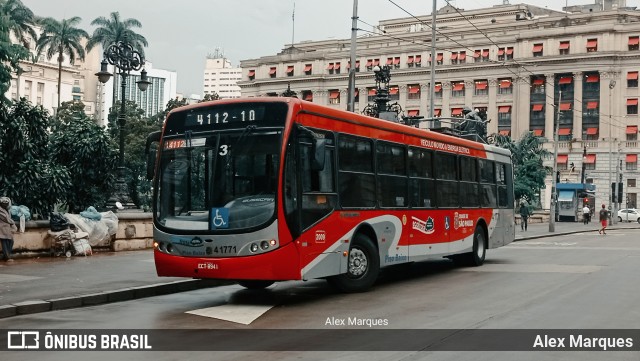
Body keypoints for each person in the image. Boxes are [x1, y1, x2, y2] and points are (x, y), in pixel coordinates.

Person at [0, 197, 16, 262]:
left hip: (6, 228)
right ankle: (7, 257)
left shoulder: (6, 209)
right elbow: (6, 219)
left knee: (11, 241)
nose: (6, 204)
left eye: (6, 203)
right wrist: (13, 223)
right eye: (4, 203)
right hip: (2, 229)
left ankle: (6, 256)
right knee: (4, 242)